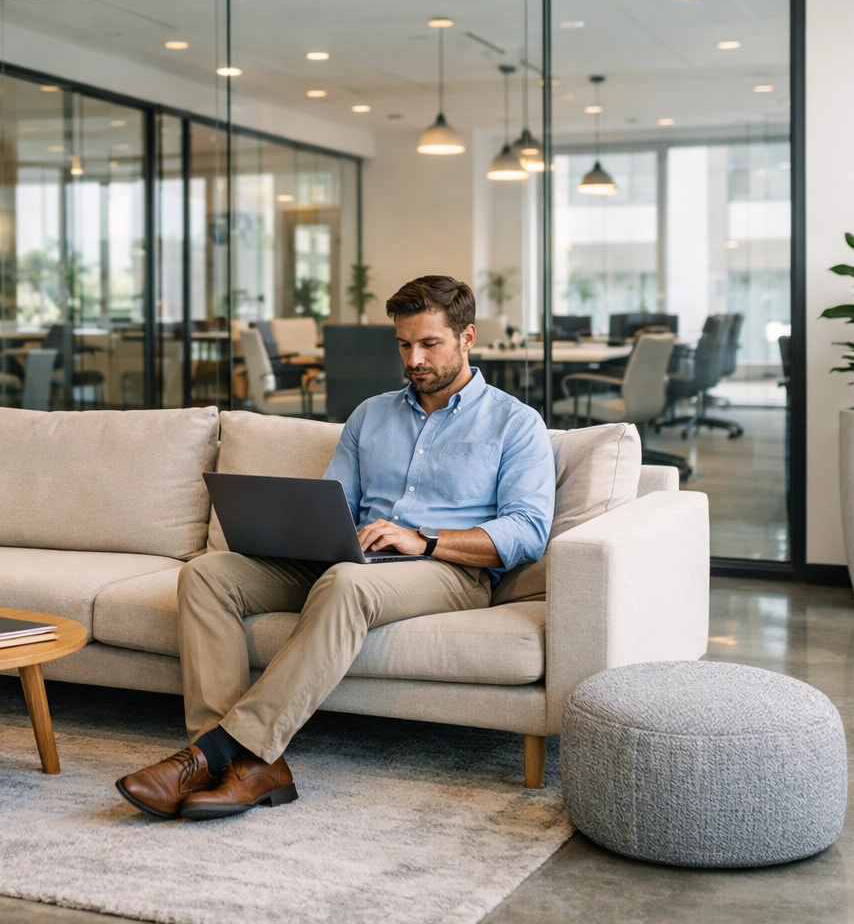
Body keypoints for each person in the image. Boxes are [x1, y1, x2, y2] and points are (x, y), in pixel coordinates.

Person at [116, 275, 556, 820]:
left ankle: (216, 755)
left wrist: (423, 540)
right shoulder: (370, 415)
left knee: (347, 582)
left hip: (446, 570)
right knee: (208, 573)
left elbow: (528, 530)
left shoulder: (516, 423)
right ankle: (250, 770)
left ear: (467, 338)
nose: (414, 358)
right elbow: (336, 504)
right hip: (351, 559)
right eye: (404, 344)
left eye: (429, 344)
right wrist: (294, 530)